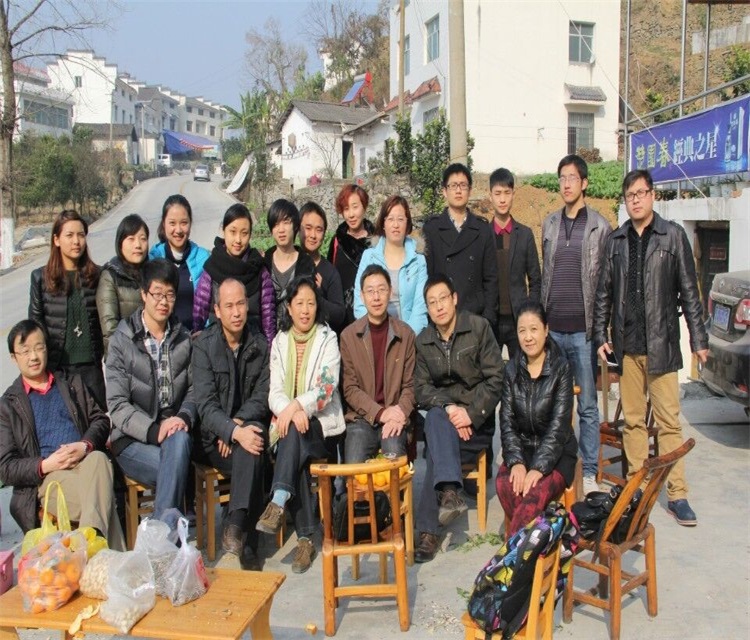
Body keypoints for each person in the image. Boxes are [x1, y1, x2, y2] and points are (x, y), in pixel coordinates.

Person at [594, 169, 709, 526]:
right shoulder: (616, 241)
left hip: (662, 346)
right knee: (633, 423)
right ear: (625, 200)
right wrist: (600, 335)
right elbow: (603, 293)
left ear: (652, 195)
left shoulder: (672, 236)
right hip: (627, 348)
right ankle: (636, 489)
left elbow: (690, 292)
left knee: (669, 423)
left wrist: (699, 340)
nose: (636, 200)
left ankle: (677, 494)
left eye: (641, 193)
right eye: (630, 195)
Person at [0, 319, 125, 550]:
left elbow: (100, 420)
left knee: (98, 458)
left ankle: (88, 547)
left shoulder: (70, 382)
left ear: (46, 349)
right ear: (14, 358)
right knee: (101, 497)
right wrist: (45, 464)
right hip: (50, 478)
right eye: (25, 351)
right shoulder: (8, 405)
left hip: (86, 464)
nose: (34, 356)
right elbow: (6, 467)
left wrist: (84, 445)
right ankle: (107, 556)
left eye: (39, 347)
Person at [255, 276, 345, 574]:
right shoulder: (280, 341)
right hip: (290, 424)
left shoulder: (328, 338)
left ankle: (279, 499)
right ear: (289, 308)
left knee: (296, 436)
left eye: (311, 303)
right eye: (299, 303)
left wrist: (296, 406)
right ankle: (306, 540)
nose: (305, 310)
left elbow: (326, 389)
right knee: (297, 449)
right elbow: (274, 391)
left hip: (322, 426)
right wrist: (291, 411)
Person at [413, 274, 504, 563]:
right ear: (427, 309)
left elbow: (496, 379)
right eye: (432, 302)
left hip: (475, 425)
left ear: (454, 299)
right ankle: (451, 492)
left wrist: (470, 414)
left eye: (443, 298)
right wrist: (451, 408)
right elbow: (421, 389)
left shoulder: (478, 328)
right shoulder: (424, 341)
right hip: (446, 420)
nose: (439, 306)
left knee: (436, 452)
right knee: (436, 418)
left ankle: (428, 532)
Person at [541, 154, 610, 496]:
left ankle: (590, 470)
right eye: (562, 178)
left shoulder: (600, 226)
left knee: (587, 406)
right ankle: (557, 466)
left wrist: (602, 330)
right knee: (554, 402)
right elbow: (545, 274)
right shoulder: (550, 224)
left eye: (572, 178)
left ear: (584, 183)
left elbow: (605, 283)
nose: (566, 184)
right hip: (552, 330)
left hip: (584, 332)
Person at [106, 259, 195, 520]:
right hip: (132, 440)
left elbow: (195, 390)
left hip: (176, 433)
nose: (163, 302)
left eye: (170, 294)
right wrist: (155, 431)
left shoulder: (183, 338)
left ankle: (159, 534)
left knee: (179, 444)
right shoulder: (122, 341)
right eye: (157, 294)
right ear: (143, 294)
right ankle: (166, 532)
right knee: (177, 466)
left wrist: (183, 417)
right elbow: (118, 406)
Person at [192, 279, 270, 570]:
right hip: (212, 441)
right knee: (253, 447)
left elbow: (262, 396)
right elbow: (205, 405)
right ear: (216, 310)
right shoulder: (204, 346)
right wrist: (230, 431)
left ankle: (234, 529)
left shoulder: (259, 344)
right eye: (229, 306)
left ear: (247, 305)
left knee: (253, 441)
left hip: (242, 431)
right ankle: (247, 542)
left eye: (240, 304)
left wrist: (236, 427)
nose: (236, 312)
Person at [496, 302, 577, 536]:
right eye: (522, 331)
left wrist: (539, 468)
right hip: (523, 451)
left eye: (534, 329)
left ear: (546, 330)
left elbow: (559, 427)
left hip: (556, 454)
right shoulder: (511, 371)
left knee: (533, 494)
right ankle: (540, 541)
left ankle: (512, 553)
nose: (528, 337)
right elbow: (507, 422)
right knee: (504, 485)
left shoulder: (561, 369)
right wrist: (517, 462)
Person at [29, 210, 105, 410]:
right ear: (56, 239)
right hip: (58, 369)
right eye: (69, 235)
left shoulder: (97, 275)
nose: (76, 241)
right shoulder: (40, 278)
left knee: (96, 423)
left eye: (81, 235)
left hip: (91, 369)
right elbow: (36, 325)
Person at [341, 265, 416, 463]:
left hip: (396, 414)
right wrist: (380, 413)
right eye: (370, 291)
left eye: (381, 290)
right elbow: (350, 389)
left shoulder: (406, 334)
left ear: (390, 292)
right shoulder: (349, 336)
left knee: (393, 457)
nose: (376, 297)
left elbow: (411, 385)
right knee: (355, 466)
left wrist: (400, 412)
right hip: (361, 418)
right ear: (362, 295)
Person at [422, 163, 498, 327]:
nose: (458, 191)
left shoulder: (482, 229)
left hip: (475, 317)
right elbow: (427, 276)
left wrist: (488, 319)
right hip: (442, 316)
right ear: (444, 191)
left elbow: (491, 279)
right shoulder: (432, 229)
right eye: (453, 186)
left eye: (463, 185)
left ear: (470, 190)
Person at [193, 203, 276, 342]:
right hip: (217, 346)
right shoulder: (212, 267)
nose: (238, 240)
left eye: (244, 233)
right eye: (233, 232)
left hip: (253, 347)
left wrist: (269, 349)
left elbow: (268, 318)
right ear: (223, 231)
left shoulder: (259, 270)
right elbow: (199, 313)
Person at [353, 195, 429, 336]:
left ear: (407, 224)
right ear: (383, 223)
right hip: (374, 334)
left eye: (400, 219)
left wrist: (407, 337)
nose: (395, 225)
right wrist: (375, 334)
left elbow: (420, 306)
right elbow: (360, 301)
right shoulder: (369, 257)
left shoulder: (418, 260)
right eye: (390, 219)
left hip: (410, 335)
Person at [488, 168, 541, 359]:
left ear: (513, 195)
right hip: (491, 320)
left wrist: (530, 312)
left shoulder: (525, 235)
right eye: (498, 193)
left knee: (521, 370)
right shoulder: (483, 235)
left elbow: (535, 279)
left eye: (507, 193)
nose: (502, 199)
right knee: (491, 372)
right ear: (490, 196)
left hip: (518, 319)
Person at [149, 194, 209, 332]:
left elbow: (211, 305)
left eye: (183, 223)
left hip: (196, 339)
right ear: (163, 224)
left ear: (190, 223)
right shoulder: (153, 259)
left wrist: (204, 334)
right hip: (162, 339)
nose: (178, 230)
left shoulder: (203, 259)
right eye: (172, 223)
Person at [97, 214, 150, 357]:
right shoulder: (110, 276)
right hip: (123, 359)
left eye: (143, 238)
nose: (138, 245)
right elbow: (110, 330)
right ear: (120, 243)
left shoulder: (153, 273)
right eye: (131, 239)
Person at [327, 184, 375, 327]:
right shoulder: (337, 241)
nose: (351, 214)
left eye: (355, 207)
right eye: (346, 209)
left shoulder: (377, 241)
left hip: (371, 313)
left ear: (364, 207)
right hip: (343, 317)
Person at [263, 199, 315, 326]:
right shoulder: (263, 263)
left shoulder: (306, 264)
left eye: (286, 222)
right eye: (276, 224)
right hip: (267, 333)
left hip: (297, 332)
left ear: (295, 226)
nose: (281, 229)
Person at [299, 202, 346, 333]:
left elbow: (339, 315)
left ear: (324, 233)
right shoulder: (290, 263)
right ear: (298, 228)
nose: (313, 235)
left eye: (319, 230)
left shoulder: (330, 272)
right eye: (308, 228)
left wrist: (318, 297)